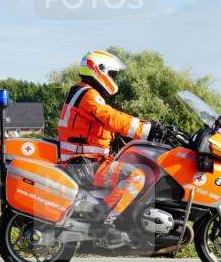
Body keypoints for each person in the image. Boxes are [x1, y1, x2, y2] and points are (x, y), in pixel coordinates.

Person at [57, 50, 165, 230]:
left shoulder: (82, 92)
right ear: (99, 70)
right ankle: (103, 220)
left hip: (86, 161)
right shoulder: (88, 95)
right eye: (112, 74)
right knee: (136, 176)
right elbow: (111, 118)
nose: (114, 79)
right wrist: (148, 130)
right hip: (85, 164)